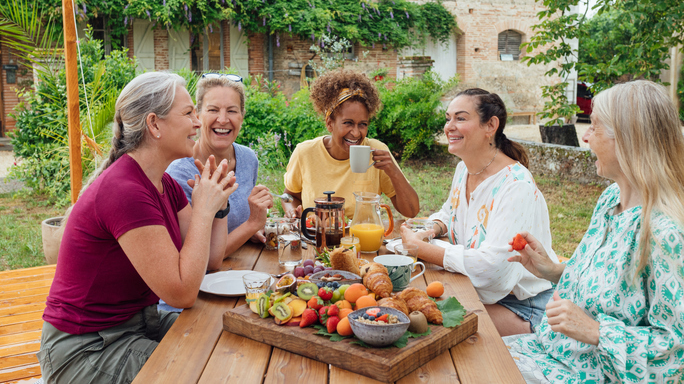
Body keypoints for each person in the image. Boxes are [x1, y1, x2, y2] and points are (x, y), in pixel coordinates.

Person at [38, 72, 237, 384]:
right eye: (188, 113)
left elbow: (210, 259)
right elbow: (183, 292)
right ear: (154, 124)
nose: (199, 123)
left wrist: (217, 202)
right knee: (204, 373)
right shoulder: (124, 191)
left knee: (226, 337)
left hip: (138, 325)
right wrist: (203, 211)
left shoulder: (164, 183)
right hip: (87, 348)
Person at [503, 80, 684, 383]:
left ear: (629, 139)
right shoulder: (610, 200)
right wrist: (554, 270)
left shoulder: (664, 233)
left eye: (595, 126)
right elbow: (612, 289)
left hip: (583, 375)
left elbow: (676, 354)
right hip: (548, 351)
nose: (585, 137)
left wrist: (596, 332)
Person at [401, 88, 557, 336]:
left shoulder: (516, 187)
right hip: (479, 291)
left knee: (425, 324)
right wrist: (429, 229)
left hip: (523, 306)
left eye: (460, 118)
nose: (449, 126)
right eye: (448, 118)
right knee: (409, 303)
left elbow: (493, 270)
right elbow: (449, 211)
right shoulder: (465, 169)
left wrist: (422, 249)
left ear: (490, 126)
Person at [282, 69, 419, 219]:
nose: (356, 133)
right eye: (348, 123)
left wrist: (393, 171)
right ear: (330, 123)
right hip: (318, 238)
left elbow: (411, 211)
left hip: (362, 239)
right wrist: (292, 212)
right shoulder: (305, 153)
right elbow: (290, 196)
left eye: (363, 124)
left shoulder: (377, 152)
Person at [165, 73, 273, 258]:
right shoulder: (180, 173)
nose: (223, 120)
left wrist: (250, 232)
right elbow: (201, 256)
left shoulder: (248, 159)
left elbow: (235, 225)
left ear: (242, 116)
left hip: (242, 267)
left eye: (232, 111)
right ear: (197, 115)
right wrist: (252, 225)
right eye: (213, 110)